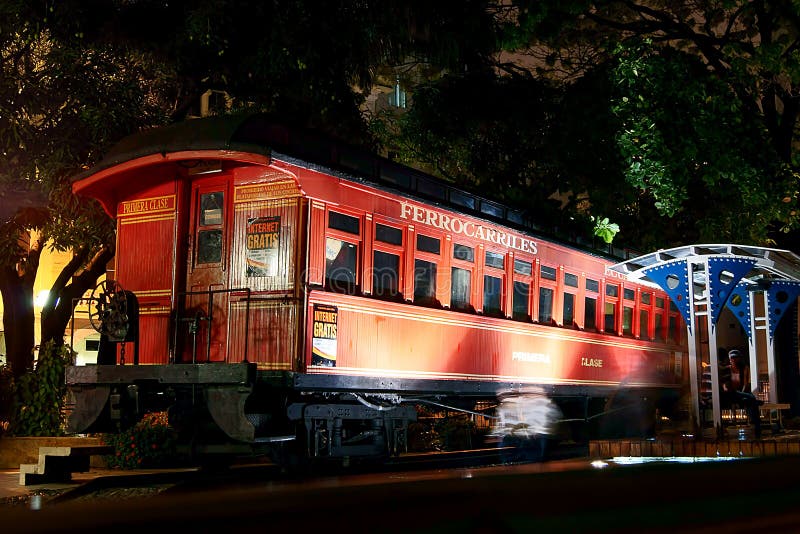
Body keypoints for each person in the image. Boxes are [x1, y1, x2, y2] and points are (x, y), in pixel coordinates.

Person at [723, 349, 763, 438]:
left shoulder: (744, 368)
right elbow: (725, 386)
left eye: (735, 358)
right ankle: (755, 401)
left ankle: (756, 425)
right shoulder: (727, 369)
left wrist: (742, 393)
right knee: (750, 398)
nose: (734, 360)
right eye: (732, 358)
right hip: (730, 393)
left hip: (741, 393)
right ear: (729, 359)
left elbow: (745, 383)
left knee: (750, 401)